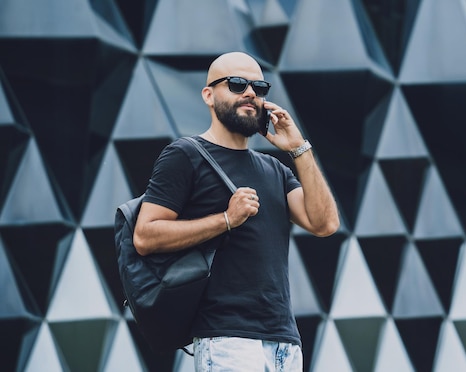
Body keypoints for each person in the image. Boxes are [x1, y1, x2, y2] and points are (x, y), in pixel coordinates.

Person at [133, 51, 340, 371]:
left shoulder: (274, 168)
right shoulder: (185, 155)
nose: (250, 93)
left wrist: (299, 148)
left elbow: (324, 223)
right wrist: (226, 220)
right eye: (237, 84)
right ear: (208, 95)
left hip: (285, 341)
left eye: (259, 87)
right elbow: (145, 235)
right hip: (227, 338)